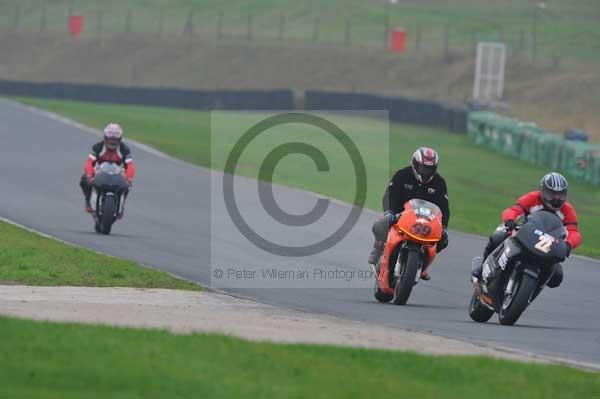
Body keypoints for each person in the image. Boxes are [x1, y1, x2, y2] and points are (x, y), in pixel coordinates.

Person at [478, 172, 581, 288]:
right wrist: (510, 219)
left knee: (557, 276)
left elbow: (574, 232)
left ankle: (532, 289)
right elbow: (514, 210)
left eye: (560, 195)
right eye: (552, 194)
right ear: (542, 191)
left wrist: (568, 244)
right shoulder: (533, 198)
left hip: (547, 246)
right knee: (498, 237)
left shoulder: (567, 210)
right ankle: (481, 269)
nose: (556, 198)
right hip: (523, 235)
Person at [368, 147, 450, 280]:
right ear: (415, 164)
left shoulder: (439, 183)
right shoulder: (402, 175)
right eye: (423, 167)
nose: (426, 171)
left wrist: (444, 226)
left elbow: (444, 208)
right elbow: (389, 195)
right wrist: (390, 212)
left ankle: (422, 266)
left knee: (443, 239)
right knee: (380, 224)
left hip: (426, 221)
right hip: (400, 215)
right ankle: (378, 248)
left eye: (429, 168)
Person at [79, 123, 136, 216]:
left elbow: (130, 165)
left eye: (115, 139)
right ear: (105, 138)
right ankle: (88, 201)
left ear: (120, 139)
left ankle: (121, 205)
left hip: (117, 172)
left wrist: (129, 179)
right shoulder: (98, 147)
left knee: (127, 186)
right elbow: (89, 162)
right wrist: (89, 175)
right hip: (100, 171)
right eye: (110, 139)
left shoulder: (124, 149)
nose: (112, 142)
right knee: (84, 179)